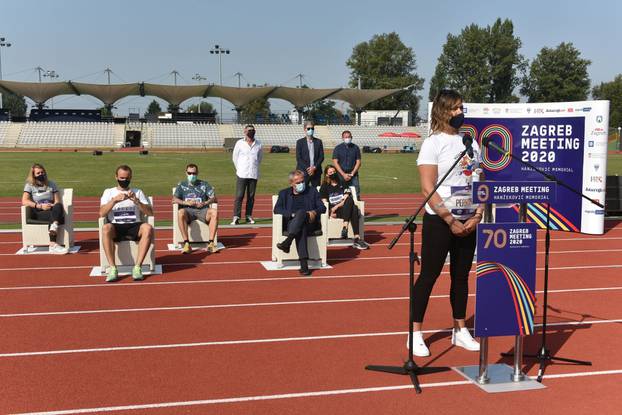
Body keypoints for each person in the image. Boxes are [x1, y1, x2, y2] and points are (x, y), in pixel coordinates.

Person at [410, 89, 484, 357]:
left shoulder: (470, 143)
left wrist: (477, 215)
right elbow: (428, 187)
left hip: (468, 220)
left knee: (461, 277)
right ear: (442, 111)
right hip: (440, 222)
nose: (460, 113)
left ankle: (459, 329)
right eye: (454, 108)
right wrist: (449, 219)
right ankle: (415, 333)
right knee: (429, 276)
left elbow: (479, 181)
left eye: (461, 108)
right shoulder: (433, 143)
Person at [99, 165, 154, 283]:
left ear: (131, 178)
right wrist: (114, 201)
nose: (124, 180)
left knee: (148, 228)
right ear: (116, 177)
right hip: (116, 226)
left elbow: (150, 213)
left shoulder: (137, 192)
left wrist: (137, 202)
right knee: (105, 228)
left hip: (135, 225)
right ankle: (113, 268)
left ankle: (137, 267)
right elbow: (101, 213)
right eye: (122, 178)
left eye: (127, 178)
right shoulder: (108, 192)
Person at [274, 170, 327, 276]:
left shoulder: (312, 191)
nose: (301, 184)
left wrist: (314, 212)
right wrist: (293, 215)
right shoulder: (284, 193)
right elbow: (277, 209)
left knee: (301, 218)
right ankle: (304, 265)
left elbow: (323, 207)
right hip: (292, 223)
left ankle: (288, 242)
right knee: (300, 222)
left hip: (310, 223)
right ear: (291, 183)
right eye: (298, 183)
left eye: (302, 181)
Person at [21, 163, 68, 254]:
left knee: (58, 206)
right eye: (38, 173)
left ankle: (53, 238)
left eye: (42, 172)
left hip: (51, 209)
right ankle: (53, 243)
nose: (41, 174)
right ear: (33, 175)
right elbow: (24, 201)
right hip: (38, 212)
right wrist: (40, 206)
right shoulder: (29, 185)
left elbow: (57, 201)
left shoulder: (51, 184)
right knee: (54, 215)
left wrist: (51, 205)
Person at [319, 165, 369, 250]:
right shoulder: (324, 186)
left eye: (334, 172)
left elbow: (347, 197)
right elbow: (324, 202)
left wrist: (337, 206)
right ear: (327, 175)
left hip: (342, 209)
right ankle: (357, 238)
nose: (333, 174)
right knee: (354, 209)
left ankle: (345, 227)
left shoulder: (342, 182)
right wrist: (331, 210)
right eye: (330, 172)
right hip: (334, 211)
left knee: (350, 201)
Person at [173, 163, 218, 254]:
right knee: (180, 212)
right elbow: (174, 199)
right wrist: (186, 202)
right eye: (189, 173)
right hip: (188, 211)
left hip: (202, 210)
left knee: (214, 212)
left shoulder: (204, 184)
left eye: (194, 173)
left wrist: (205, 203)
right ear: (186, 173)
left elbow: (214, 198)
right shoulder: (182, 185)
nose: (192, 175)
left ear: (197, 173)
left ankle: (211, 243)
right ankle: (186, 244)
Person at [232, 124, 262, 225]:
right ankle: (236, 217)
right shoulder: (239, 143)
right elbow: (234, 158)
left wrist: (254, 167)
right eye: (249, 130)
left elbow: (259, 158)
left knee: (251, 196)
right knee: (239, 196)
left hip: (253, 173)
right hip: (242, 173)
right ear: (244, 131)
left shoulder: (258, 144)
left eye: (252, 130)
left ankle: (248, 216)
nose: (251, 132)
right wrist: (239, 169)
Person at [332, 130, 362, 197]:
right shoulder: (337, 148)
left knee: (355, 193)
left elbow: (358, 162)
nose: (347, 138)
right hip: (340, 174)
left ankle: (356, 206)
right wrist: (343, 174)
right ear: (342, 138)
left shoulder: (356, 148)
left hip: (353, 174)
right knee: (341, 193)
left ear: (351, 137)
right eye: (345, 137)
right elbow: (335, 162)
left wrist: (352, 173)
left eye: (349, 137)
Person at [295, 120, 324, 187]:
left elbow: (321, 157)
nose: (310, 130)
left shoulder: (319, 142)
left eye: (312, 128)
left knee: (316, 192)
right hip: (303, 172)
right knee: (302, 191)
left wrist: (314, 167)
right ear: (304, 129)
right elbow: (299, 158)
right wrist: (308, 169)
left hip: (316, 172)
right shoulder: (300, 142)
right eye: (308, 128)